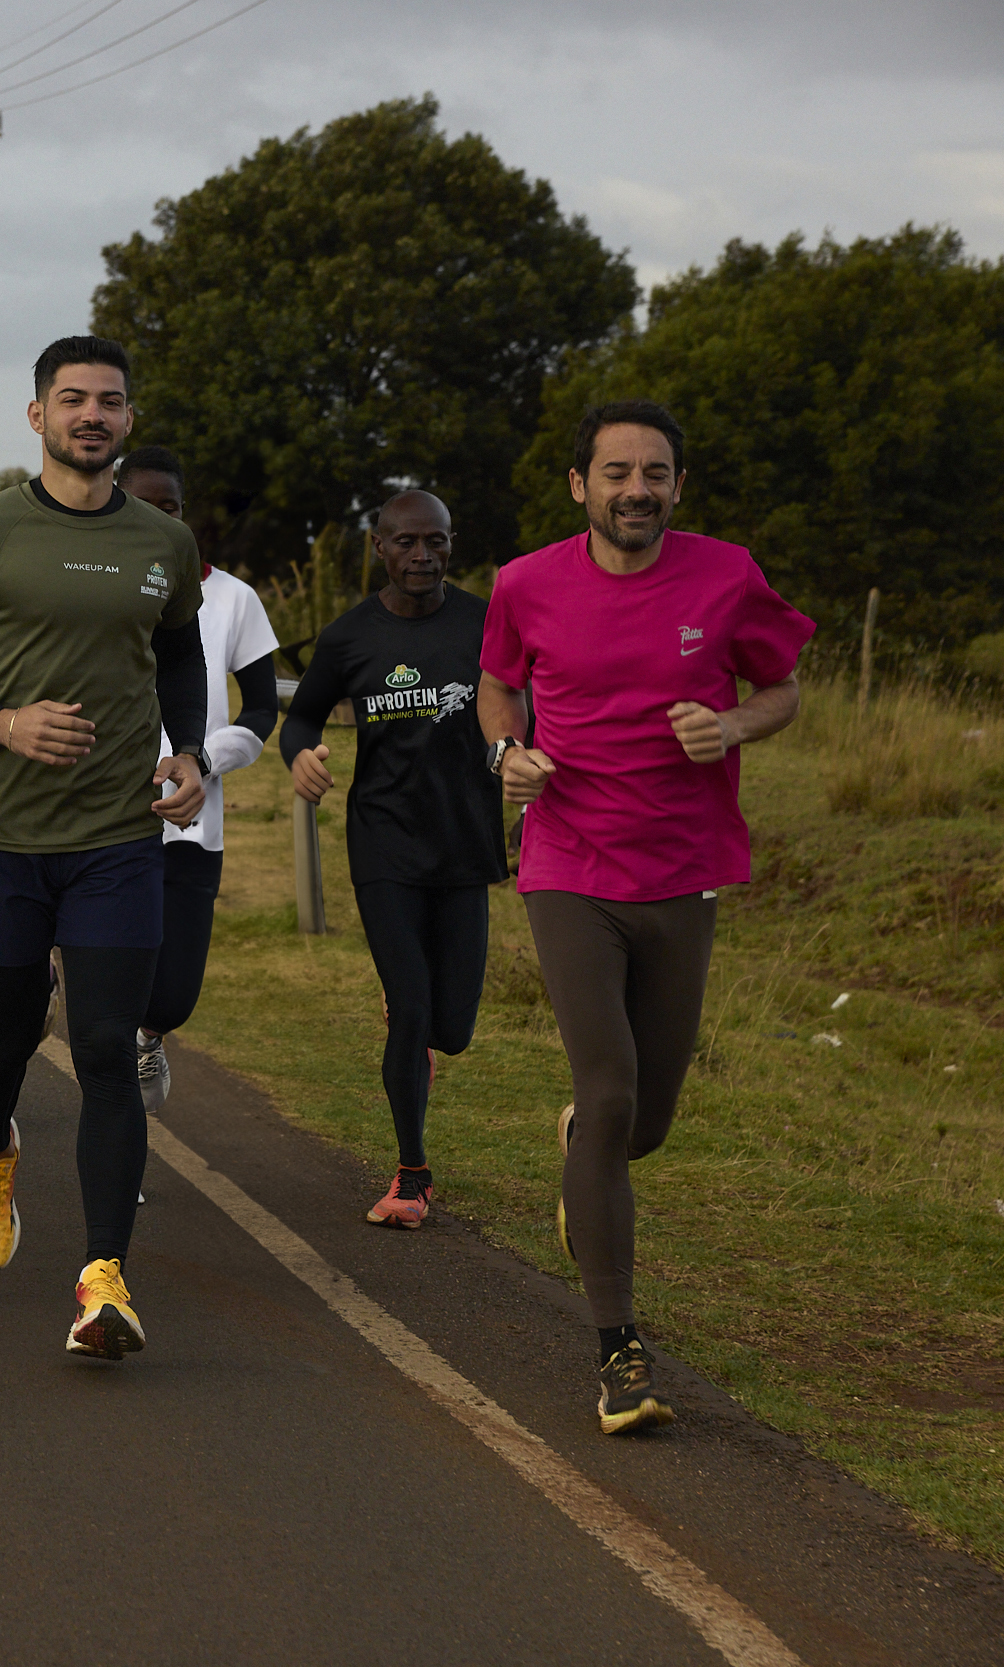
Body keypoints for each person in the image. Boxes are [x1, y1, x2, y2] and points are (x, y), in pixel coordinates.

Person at [480, 401, 809, 1434]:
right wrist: (505, 754)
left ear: (677, 485)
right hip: (569, 863)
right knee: (612, 1089)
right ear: (578, 484)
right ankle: (619, 1347)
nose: (636, 488)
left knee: (642, 1123)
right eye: (615, 471)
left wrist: (733, 721)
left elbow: (783, 685)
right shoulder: (524, 583)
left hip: (684, 870)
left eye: (654, 472)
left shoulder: (725, 574)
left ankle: (584, 1143)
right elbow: (496, 686)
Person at [0, 335, 208, 1360]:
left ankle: (103, 1276)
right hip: (0, 835)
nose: (91, 416)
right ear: (36, 416)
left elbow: (177, 657)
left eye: (109, 401)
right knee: (5, 1036)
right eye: (70, 400)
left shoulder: (163, 541)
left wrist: (190, 752)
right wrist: (2, 723)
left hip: (117, 836)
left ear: (127, 417)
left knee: (108, 1048)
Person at [281, 491, 503, 1230]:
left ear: (450, 544)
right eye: (406, 542)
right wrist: (301, 754)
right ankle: (412, 1176)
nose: (422, 557)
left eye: (435, 542)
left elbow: (528, 694)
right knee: (410, 1008)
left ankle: (421, 1032)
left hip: (466, 840)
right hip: (384, 842)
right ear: (379, 547)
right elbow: (304, 711)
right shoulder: (351, 637)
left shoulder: (484, 621)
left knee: (454, 1028)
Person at [116, 449, 277, 1118]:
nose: (159, 520)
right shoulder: (90, 586)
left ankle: (149, 1038)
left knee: (172, 996)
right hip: (99, 818)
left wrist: (206, 762)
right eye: (142, 506)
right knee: (113, 989)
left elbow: (262, 708)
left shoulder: (233, 598)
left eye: (171, 507)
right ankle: (121, 1144)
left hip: (189, 821)